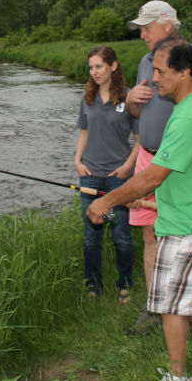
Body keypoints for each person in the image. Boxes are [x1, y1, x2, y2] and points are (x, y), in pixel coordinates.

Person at [87, 41, 192, 381]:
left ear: (185, 72)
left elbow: (154, 175)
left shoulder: (189, 116)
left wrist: (107, 201)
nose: (153, 79)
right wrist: (154, 203)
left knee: (171, 302)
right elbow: (180, 175)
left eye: (160, 71)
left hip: (189, 223)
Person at [124, 0, 192, 335]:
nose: (142, 35)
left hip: (177, 163)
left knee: (177, 232)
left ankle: (182, 299)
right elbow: (137, 114)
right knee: (150, 233)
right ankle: (155, 305)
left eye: (147, 28)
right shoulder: (145, 62)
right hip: (147, 156)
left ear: (167, 25)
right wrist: (132, 102)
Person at [75, 46, 140, 302]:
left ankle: (124, 283)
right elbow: (84, 131)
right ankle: (93, 285)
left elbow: (141, 138)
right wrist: (77, 160)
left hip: (118, 178)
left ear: (113, 66)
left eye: (99, 66)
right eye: (91, 67)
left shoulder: (129, 98)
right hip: (89, 175)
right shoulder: (87, 98)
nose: (94, 72)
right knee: (92, 234)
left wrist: (128, 167)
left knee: (120, 232)